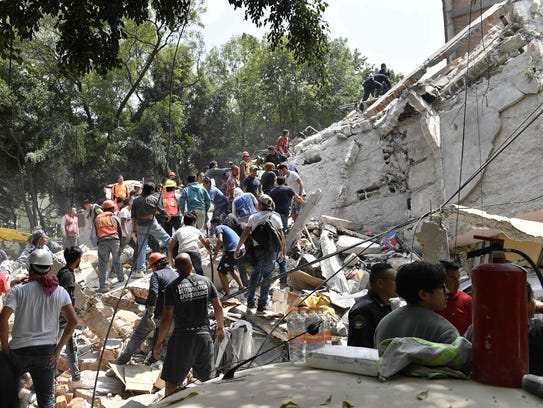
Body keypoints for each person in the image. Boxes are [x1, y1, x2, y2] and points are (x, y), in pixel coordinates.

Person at [0, 248, 78, 408]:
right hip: (46, 353)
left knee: (8, 395)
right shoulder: (60, 292)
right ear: (50, 268)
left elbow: (3, 319)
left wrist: (5, 348)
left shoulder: (18, 290)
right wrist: (58, 350)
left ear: (30, 267)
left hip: (18, 352)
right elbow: (73, 322)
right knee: (46, 400)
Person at [153, 253, 225, 397]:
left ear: (176, 268)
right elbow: (218, 306)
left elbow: (167, 317)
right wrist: (220, 328)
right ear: (191, 265)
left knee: (172, 382)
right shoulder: (206, 281)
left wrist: (159, 342)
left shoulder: (172, 287)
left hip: (182, 339)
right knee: (208, 381)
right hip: (204, 337)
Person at [374, 262, 459, 347]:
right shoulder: (445, 331)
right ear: (423, 294)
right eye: (442, 287)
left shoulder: (384, 323)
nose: (447, 291)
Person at [115, 253, 178, 365]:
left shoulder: (157, 275)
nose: (152, 270)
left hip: (157, 313)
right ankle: (151, 360)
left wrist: (150, 312)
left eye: (152, 267)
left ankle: (122, 361)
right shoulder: (175, 274)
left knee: (137, 337)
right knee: (159, 337)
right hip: (172, 315)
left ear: (157, 265)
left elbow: (153, 293)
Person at [234, 195, 286, 315]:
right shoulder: (276, 218)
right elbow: (282, 237)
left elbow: (246, 233)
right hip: (271, 252)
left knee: (255, 275)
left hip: (257, 250)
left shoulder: (254, 217)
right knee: (267, 277)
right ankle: (262, 305)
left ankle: (250, 302)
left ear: (261, 205)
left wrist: (238, 248)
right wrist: (282, 251)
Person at [348, 263, 397, 348]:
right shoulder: (362, 310)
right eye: (396, 280)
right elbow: (360, 347)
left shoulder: (385, 305)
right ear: (380, 283)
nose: (399, 284)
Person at [131, 183, 172, 276]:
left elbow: (133, 216)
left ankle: (140, 270)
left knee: (142, 248)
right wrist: (168, 216)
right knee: (167, 239)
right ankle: (175, 256)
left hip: (140, 225)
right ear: (151, 191)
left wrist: (134, 229)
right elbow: (162, 211)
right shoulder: (153, 199)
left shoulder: (136, 201)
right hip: (151, 223)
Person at [57, 246, 83, 382]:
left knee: (70, 346)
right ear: (78, 259)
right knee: (64, 347)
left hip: (63, 316)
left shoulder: (64, 271)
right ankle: (76, 377)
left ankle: (76, 376)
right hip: (64, 318)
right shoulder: (67, 275)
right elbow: (64, 297)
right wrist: (70, 314)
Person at [168, 211, 212, 276]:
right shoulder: (197, 231)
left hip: (182, 254)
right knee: (199, 272)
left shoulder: (178, 231)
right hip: (194, 253)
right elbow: (205, 244)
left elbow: (170, 248)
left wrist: (171, 261)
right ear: (193, 222)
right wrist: (210, 251)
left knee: (182, 273)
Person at [210, 217, 247, 295]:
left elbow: (220, 241)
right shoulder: (225, 227)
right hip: (242, 249)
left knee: (221, 271)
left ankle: (227, 293)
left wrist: (215, 255)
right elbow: (226, 243)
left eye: (212, 226)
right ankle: (241, 287)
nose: (213, 228)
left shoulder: (218, 227)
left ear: (215, 224)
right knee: (231, 268)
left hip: (234, 251)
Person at [436, 260, 472, 335]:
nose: (458, 283)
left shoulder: (466, 301)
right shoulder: (431, 301)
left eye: (458, 278)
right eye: (452, 278)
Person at [95, 200, 124, 292]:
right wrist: (121, 246)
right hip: (114, 240)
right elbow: (120, 231)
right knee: (117, 259)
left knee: (103, 264)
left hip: (102, 241)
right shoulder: (114, 217)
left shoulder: (97, 218)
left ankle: (103, 286)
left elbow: (96, 232)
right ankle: (121, 278)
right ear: (112, 208)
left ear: (103, 209)